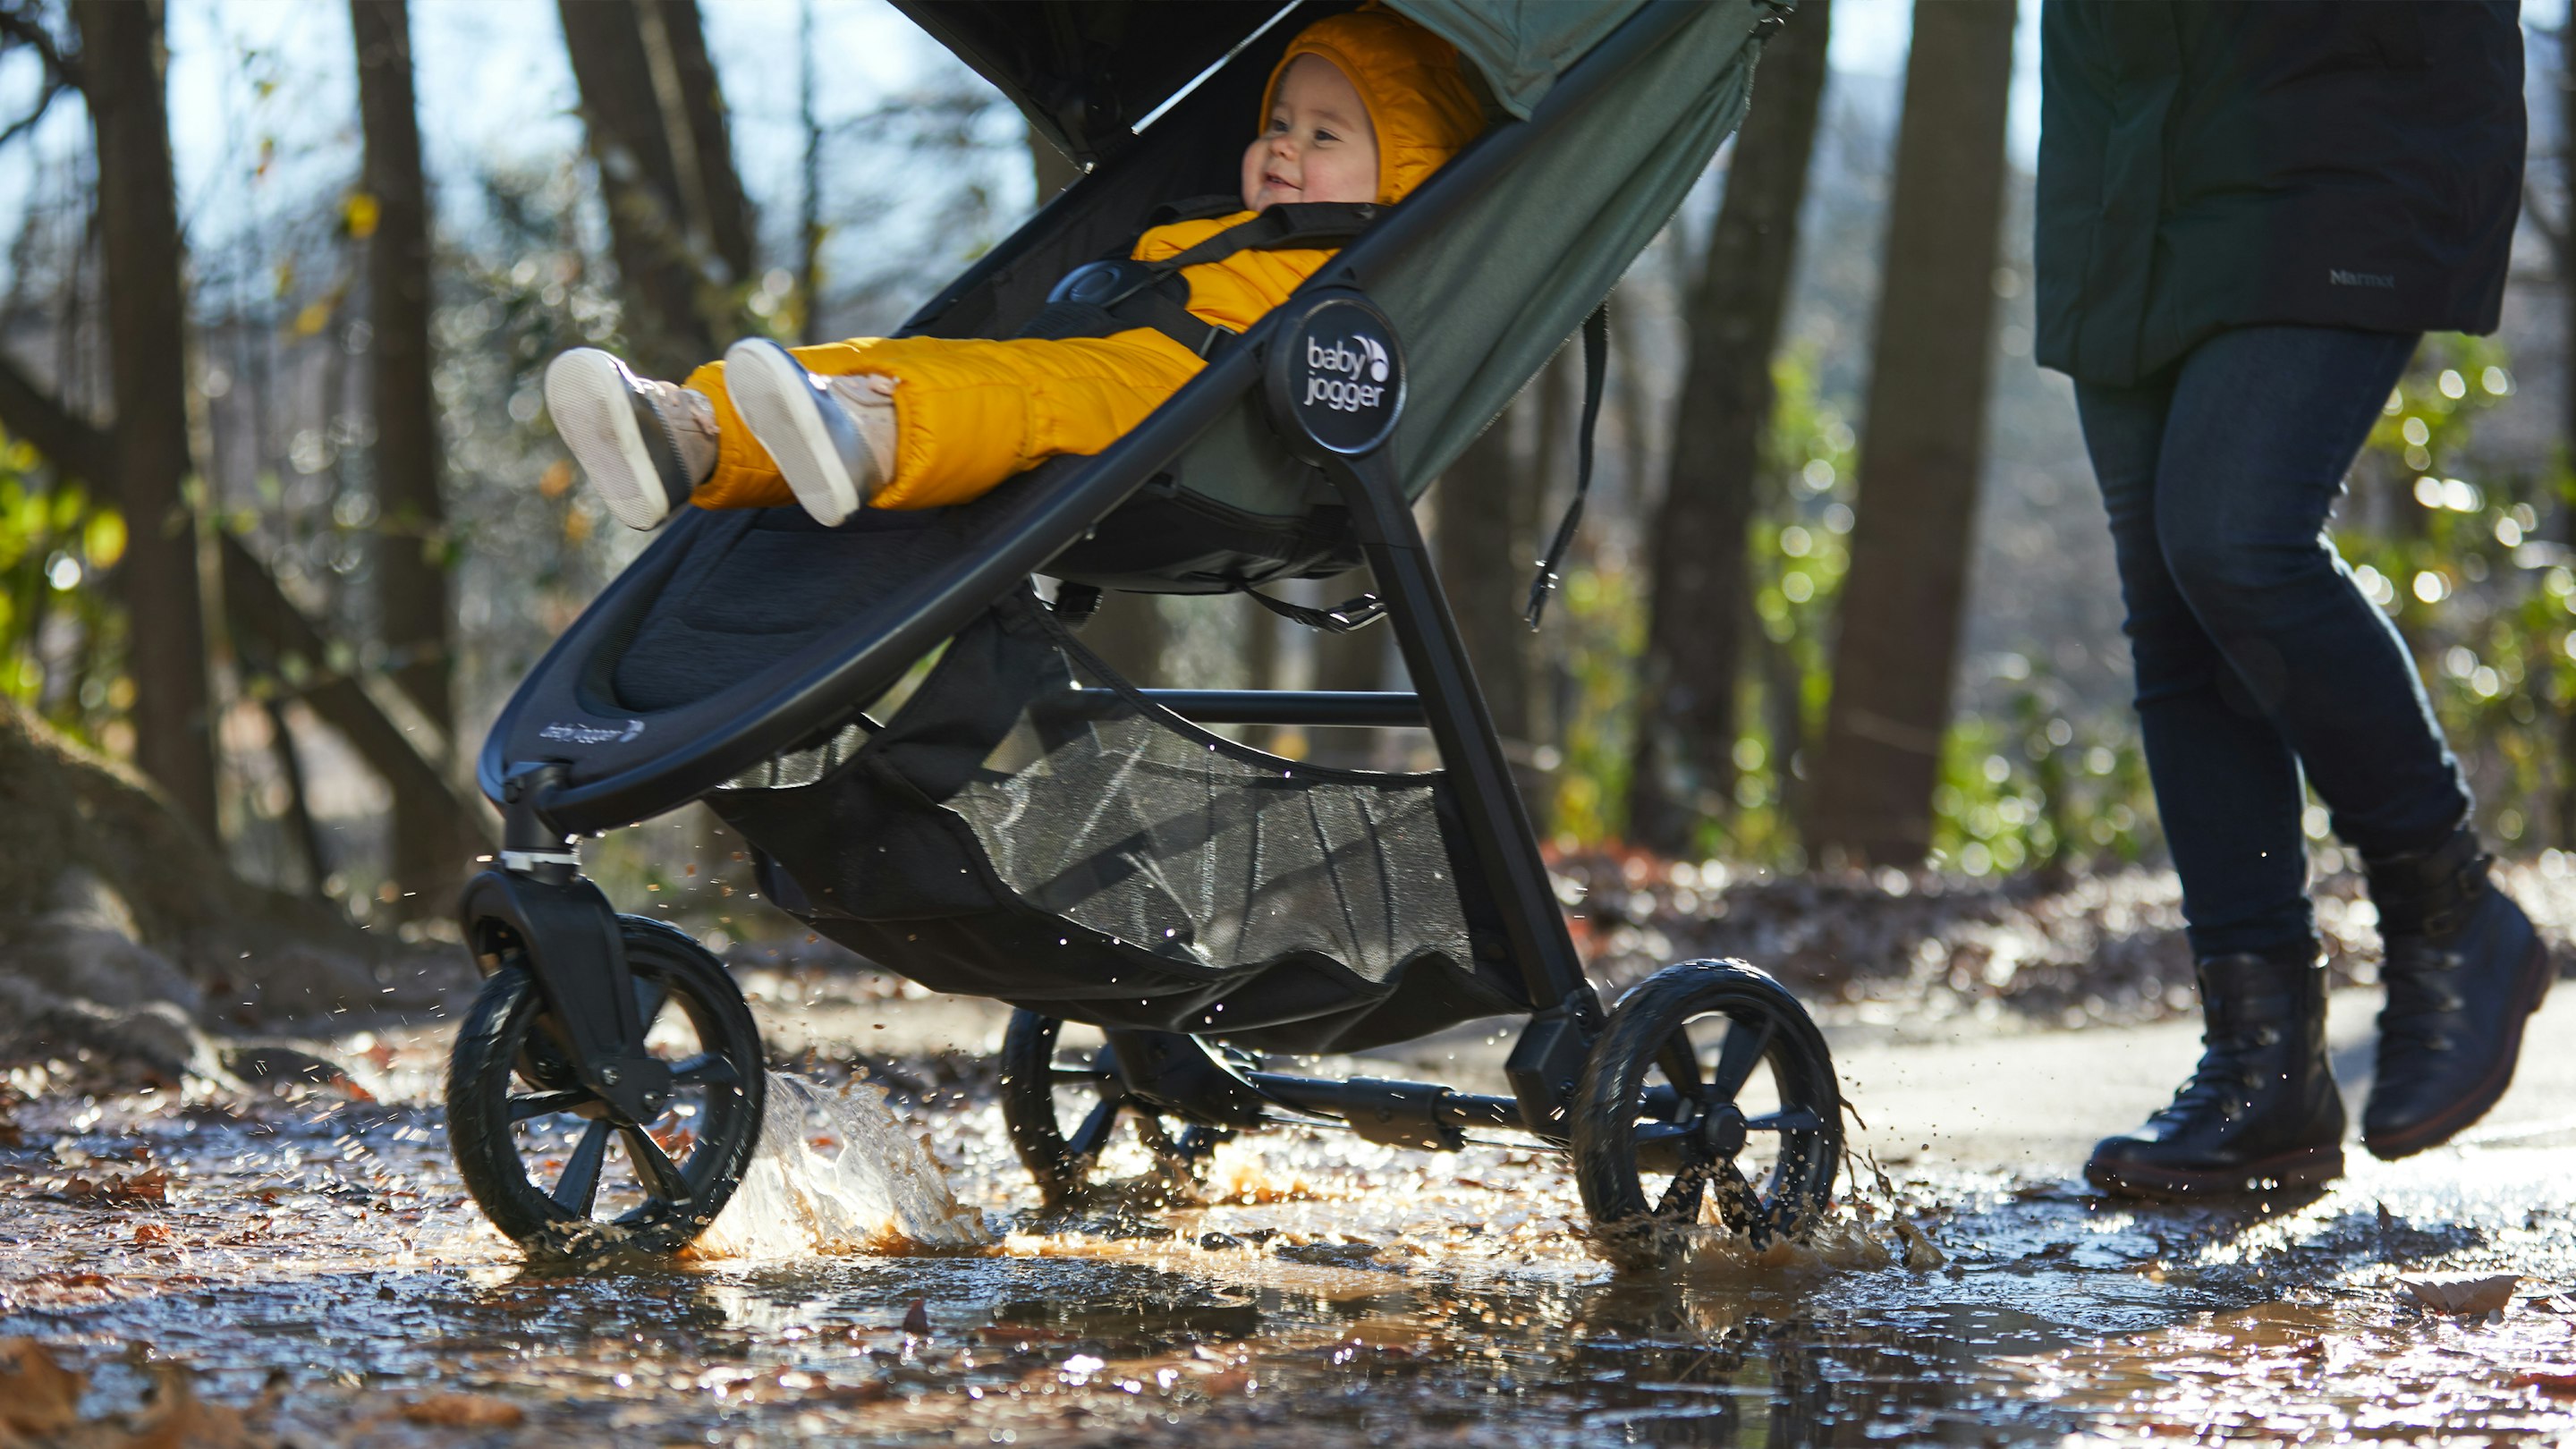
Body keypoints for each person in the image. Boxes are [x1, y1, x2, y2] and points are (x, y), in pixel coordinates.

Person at [2035, 1, 2543, 1199]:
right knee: (2174, 612)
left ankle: (2450, 909)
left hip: (2336, 114)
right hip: (2127, 135)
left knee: (2236, 539)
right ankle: (2263, 1071)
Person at [541, 8, 1480, 531]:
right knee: (922, 359)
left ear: (1401, 181)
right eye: (1277, 122)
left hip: (1196, 405)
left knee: (1018, 402)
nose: (1282, 146)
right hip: (1100, 350)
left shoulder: (1367, 274)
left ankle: (871, 435)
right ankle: (696, 430)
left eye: (1324, 136)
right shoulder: (1227, 224)